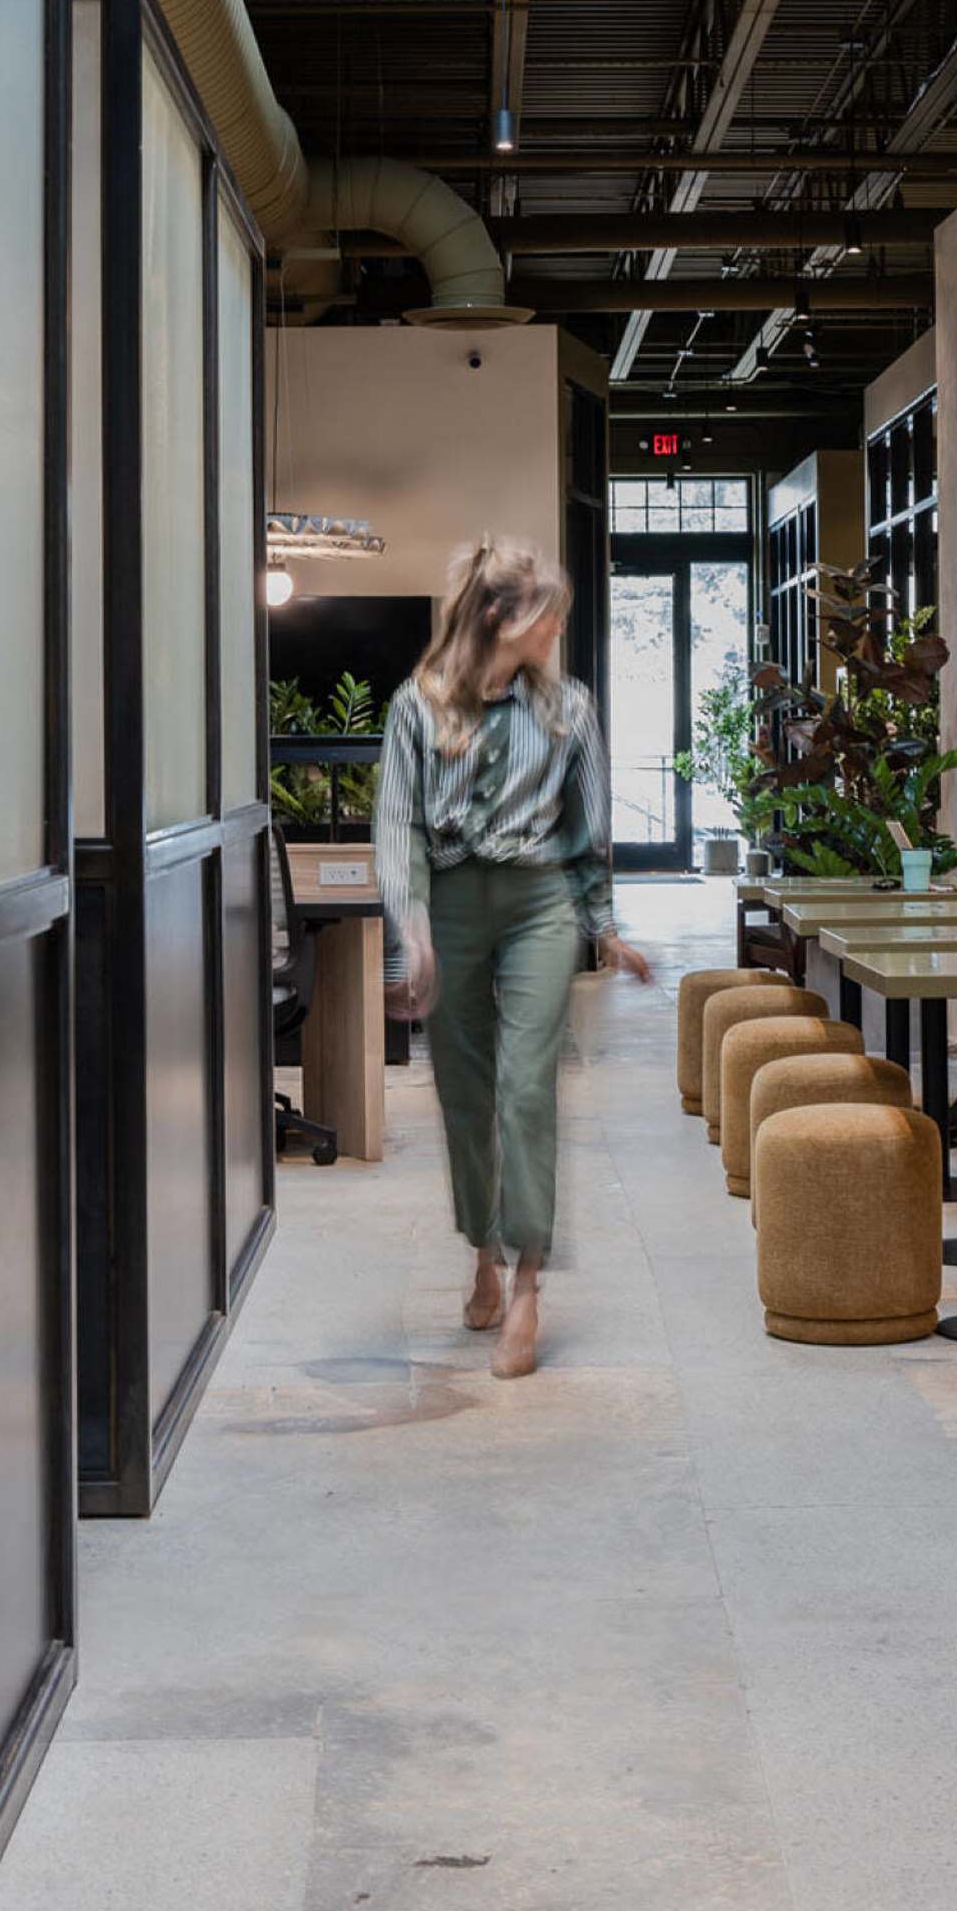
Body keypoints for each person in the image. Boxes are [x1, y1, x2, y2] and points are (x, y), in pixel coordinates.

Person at [374, 540, 652, 1380]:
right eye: (549, 611)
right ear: (503, 617)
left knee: (528, 1087)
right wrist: (411, 931)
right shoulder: (417, 706)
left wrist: (604, 926)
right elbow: (398, 826)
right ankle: (483, 1257)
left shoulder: (568, 707)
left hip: (539, 907)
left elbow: (586, 826)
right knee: (465, 1094)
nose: (560, 625)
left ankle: (528, 1283)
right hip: (452, 907)